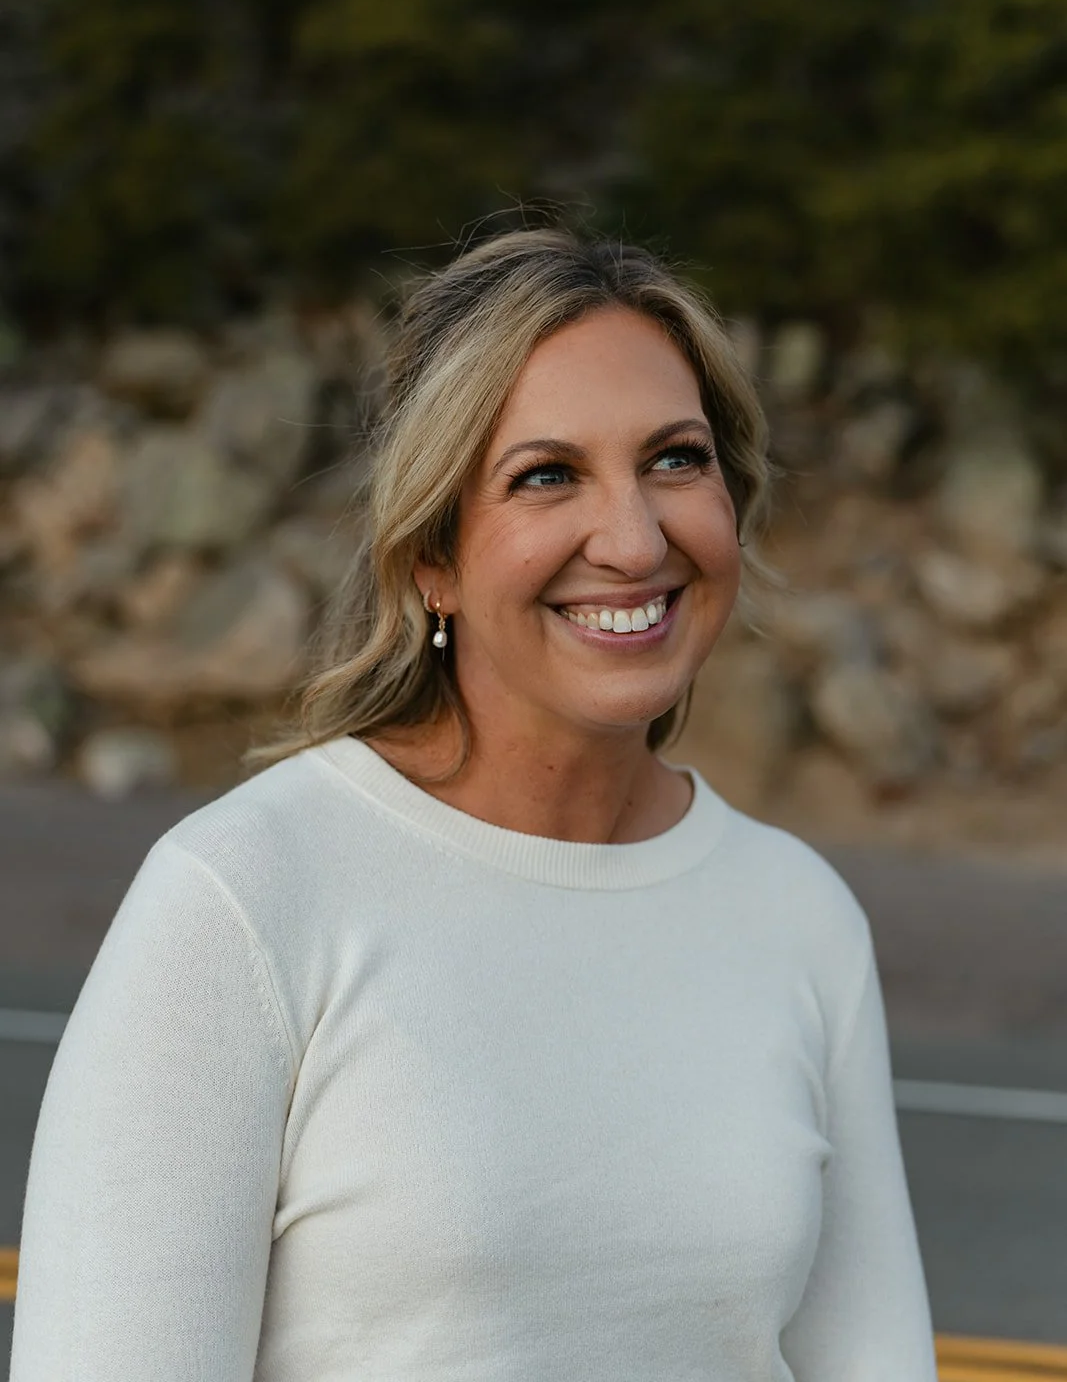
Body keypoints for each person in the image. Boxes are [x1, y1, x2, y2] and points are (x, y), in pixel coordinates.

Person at [10, 227, 938, 1380]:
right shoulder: (243, 900)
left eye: (674, 459)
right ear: (432, 559)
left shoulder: (799, 915)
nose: (633, 536)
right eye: (546, 475)